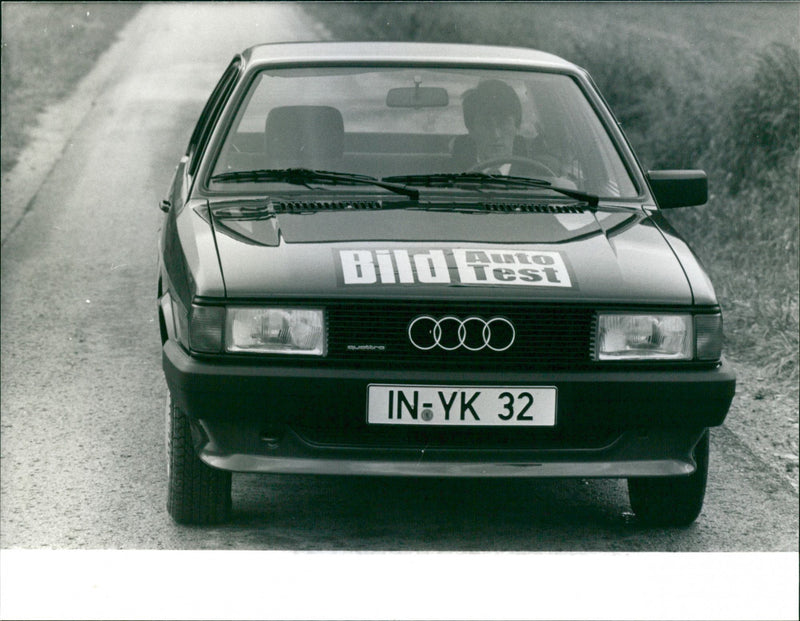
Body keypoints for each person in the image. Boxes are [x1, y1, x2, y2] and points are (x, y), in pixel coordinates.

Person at [453, 79, 527, 174]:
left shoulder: (540, 176)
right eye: (486, 125)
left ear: (517, 127)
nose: (496, 135)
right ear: (471, 130)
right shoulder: (451, 175)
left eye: (503, 124)